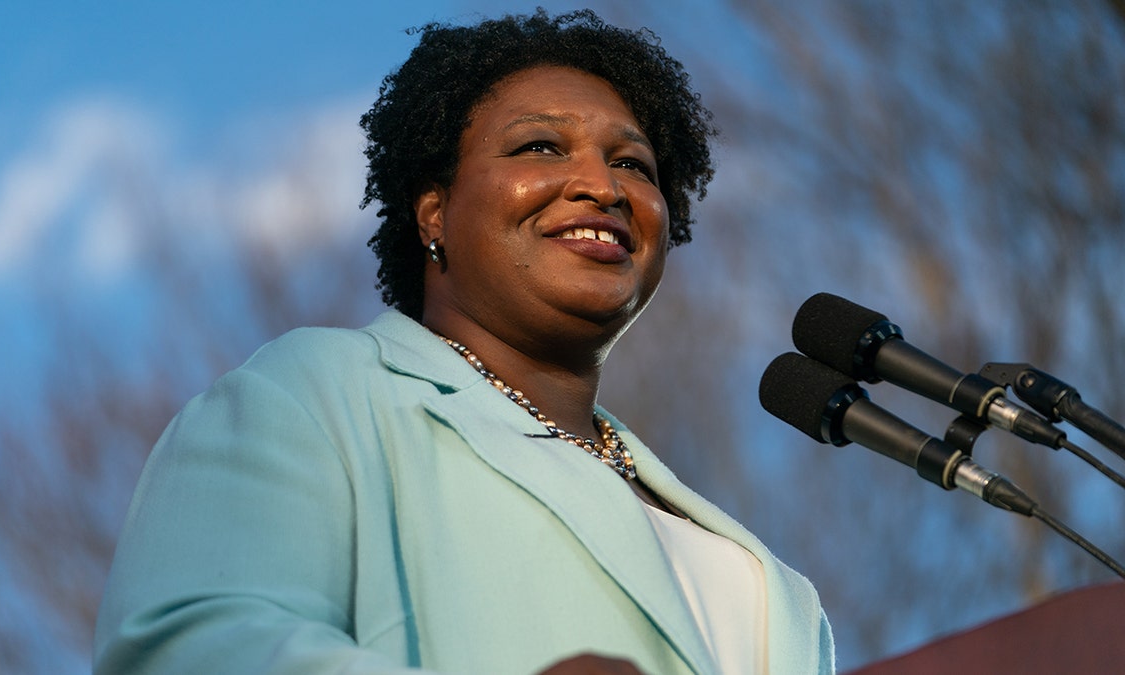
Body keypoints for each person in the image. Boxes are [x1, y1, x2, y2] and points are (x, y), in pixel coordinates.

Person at [94, 9, 834, 675]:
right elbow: (189, 648)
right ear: (433, 214)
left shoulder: (770, 580)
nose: (601, 186)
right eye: (541, 147)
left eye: (633, 165)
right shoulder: (320, 394)